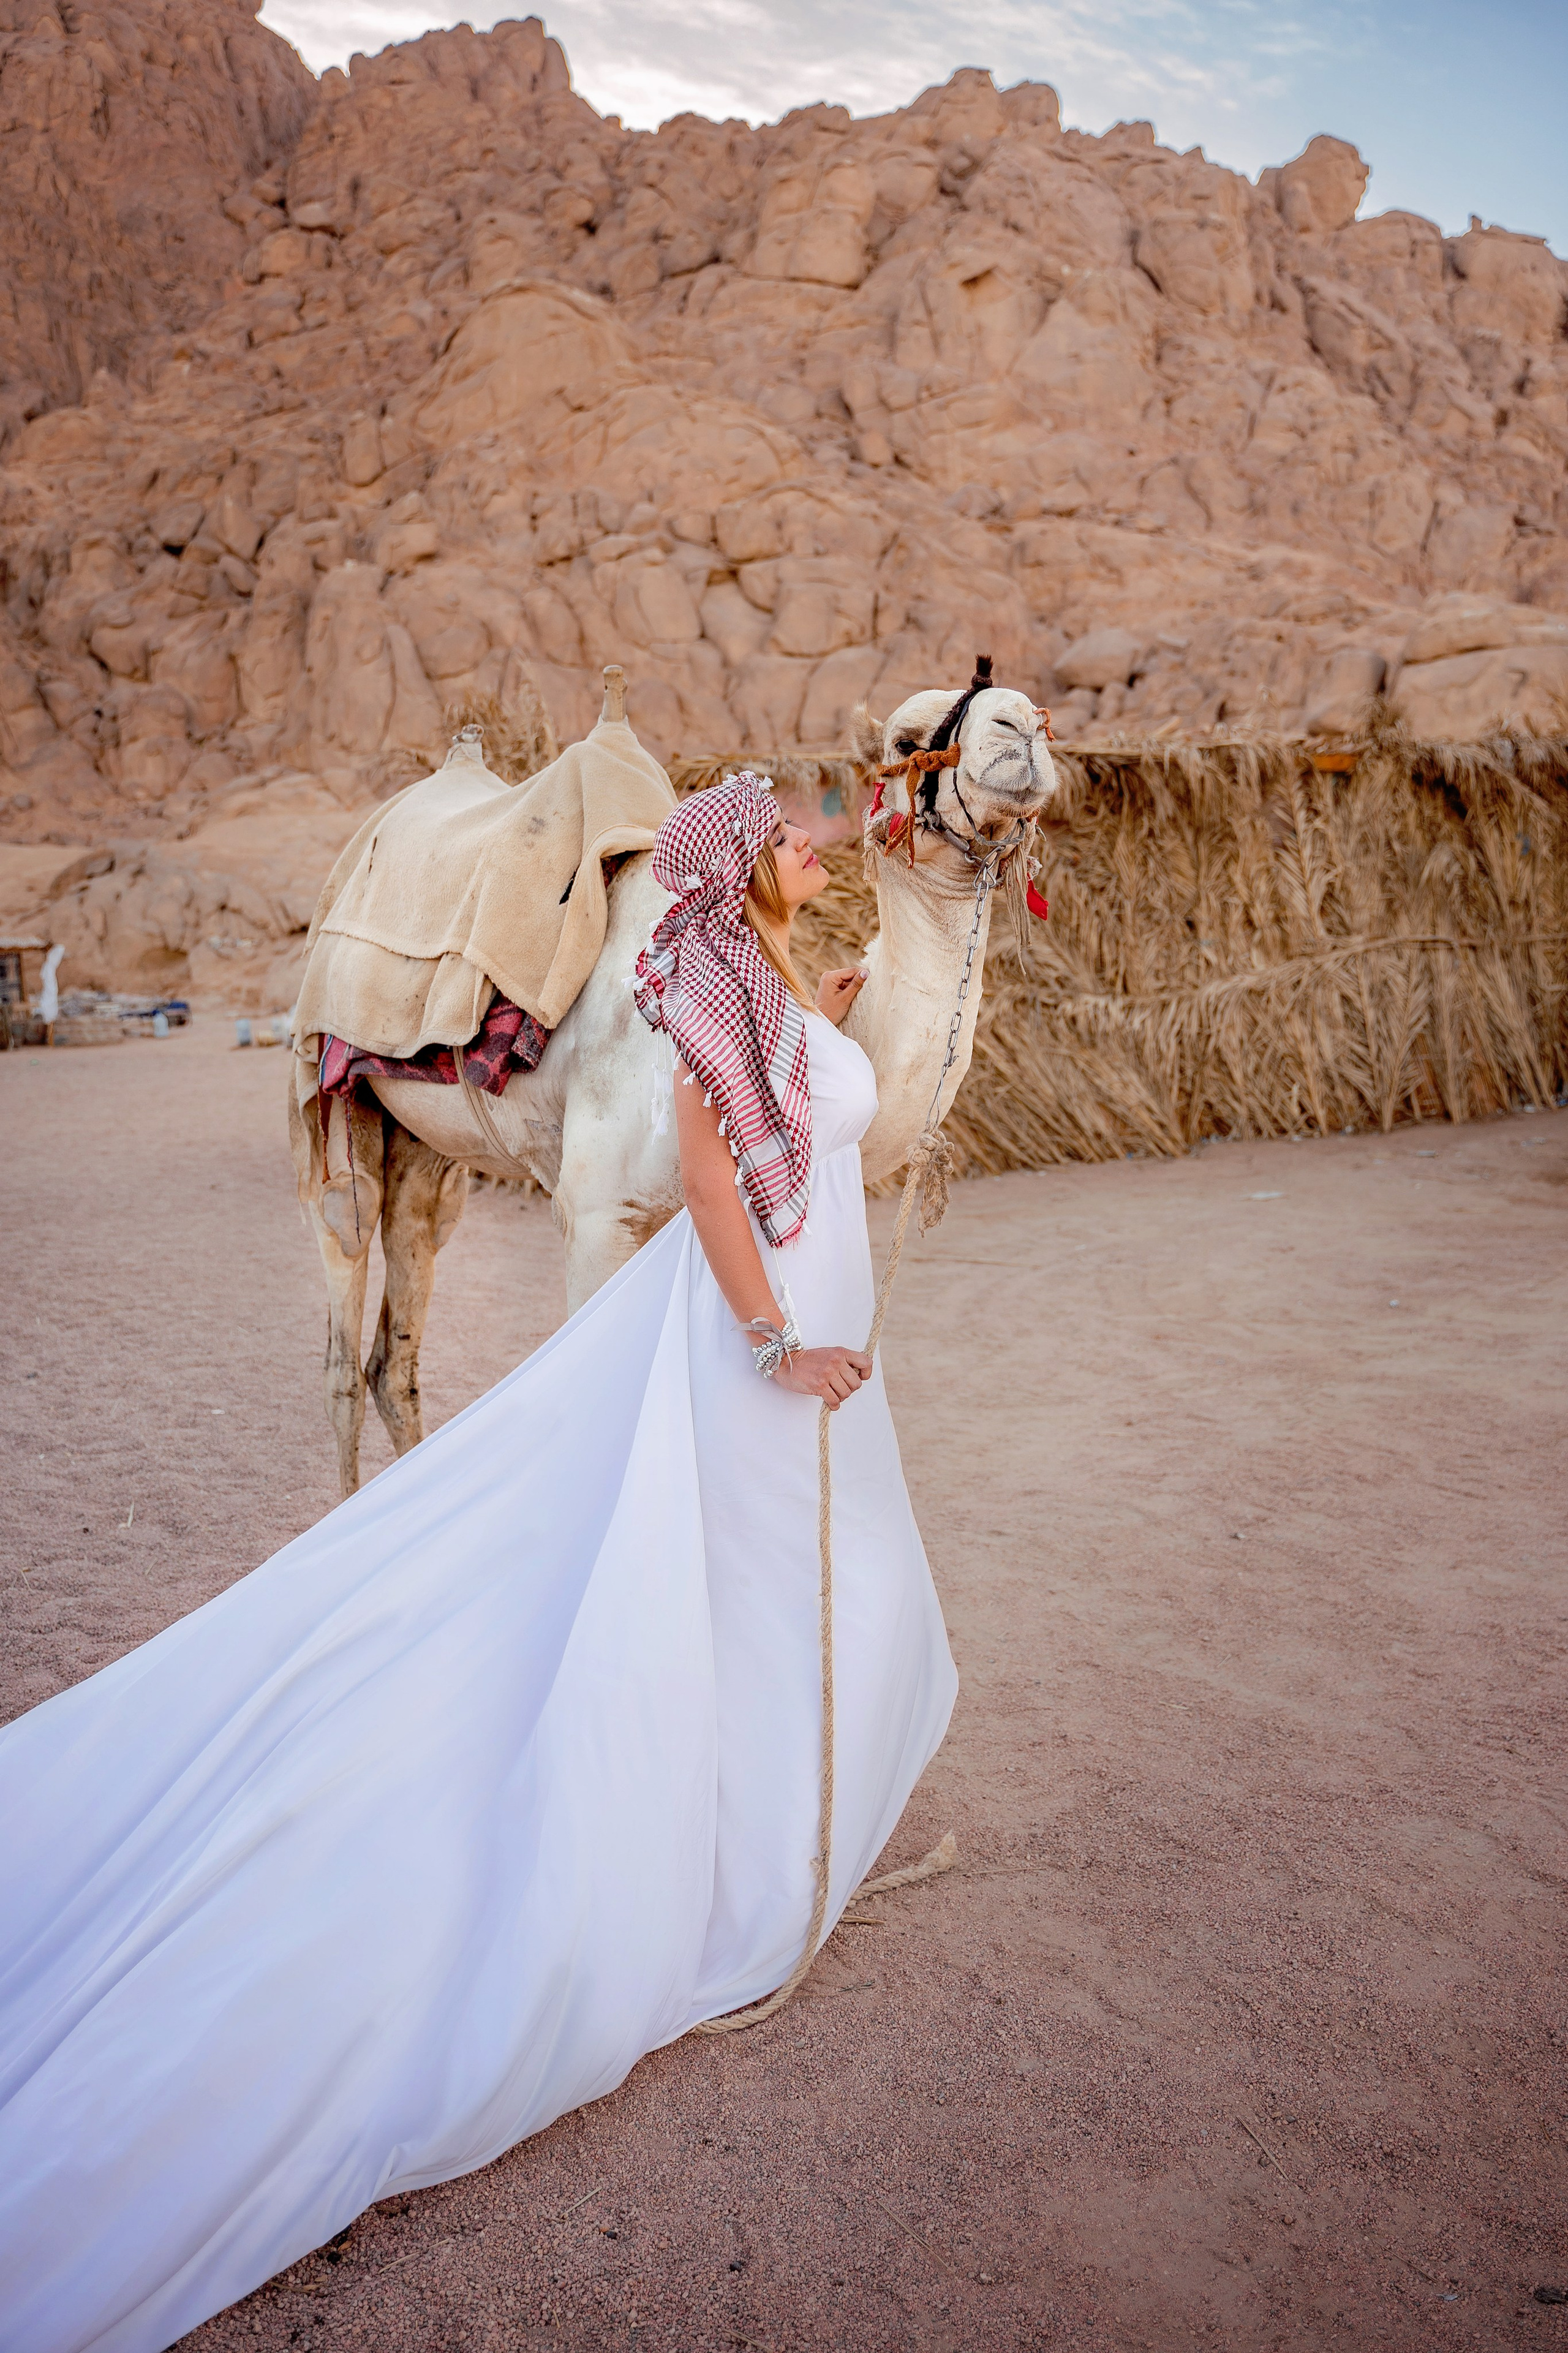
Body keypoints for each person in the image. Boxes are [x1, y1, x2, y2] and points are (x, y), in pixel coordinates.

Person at [0, 773, 959, 2353]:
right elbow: (717, 1180)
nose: (809, 857)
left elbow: (808, 1018)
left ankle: (775, 1804)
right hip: (773, 1333)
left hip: (817, 1317)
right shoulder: (717, 996)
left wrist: (874, 858)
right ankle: (713, 1838)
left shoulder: (780, 977)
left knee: (802, 1571)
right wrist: (780, 1337)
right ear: (745, 880)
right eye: (785, 844)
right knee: (750, 1569)